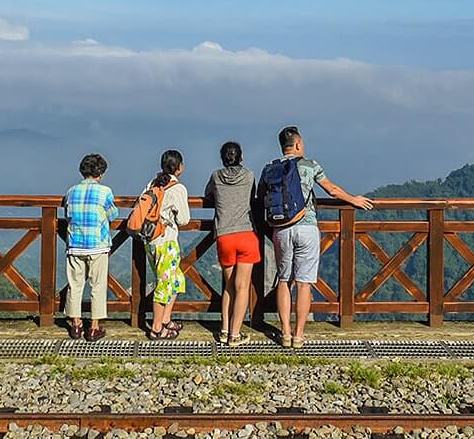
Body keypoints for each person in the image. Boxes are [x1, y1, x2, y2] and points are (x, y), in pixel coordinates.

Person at [267, 126, 374, 349]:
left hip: (281, 229)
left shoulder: (270, 169)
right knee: (304, 284)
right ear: (297, 145)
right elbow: (332, 189)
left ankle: (285, 332)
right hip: (306, 228)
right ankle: (299, 335)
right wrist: (353, 200)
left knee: (284, 280)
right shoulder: (309, 165)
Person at [204, 141, 260, 346]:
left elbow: (208, 194)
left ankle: (224, 329)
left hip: (224, 235)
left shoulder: (216, 176)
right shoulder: (249, 175)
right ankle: (235, 335)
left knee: (229, 285)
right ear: (241, 157)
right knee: (242, 286)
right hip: (246, 233)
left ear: (222, 158)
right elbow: (252, 197)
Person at [61, 154, 117, 342]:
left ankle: (76, 325)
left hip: (75, 244)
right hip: (97, 245)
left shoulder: (71, 192)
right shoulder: (105, 192)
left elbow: (67, 215)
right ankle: (93, 328)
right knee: (97, 286)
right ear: (100, 172)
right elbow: (112, 215)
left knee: (75, 285)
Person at [144, 149, 192, 340]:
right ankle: (157, 328)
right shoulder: (178, 188)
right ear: (179, 168)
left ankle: (165, 319)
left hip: (150, 240)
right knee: (164, 284)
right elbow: (184, 219)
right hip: (167, 242)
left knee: (176, 279)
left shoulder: (152, 183)